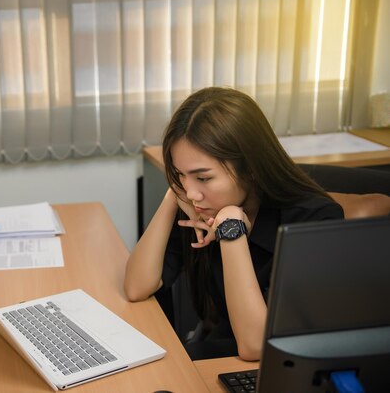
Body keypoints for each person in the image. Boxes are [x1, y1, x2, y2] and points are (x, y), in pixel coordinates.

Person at [124, 87, 344, 361]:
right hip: (219, 354)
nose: (191, 192)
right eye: (181, 174)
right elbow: (136, 286)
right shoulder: (197, 205)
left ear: (250, 168)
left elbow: (256, 347)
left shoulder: (313, 220)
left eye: (203, 178)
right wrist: (172, 196)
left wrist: (231, 232)